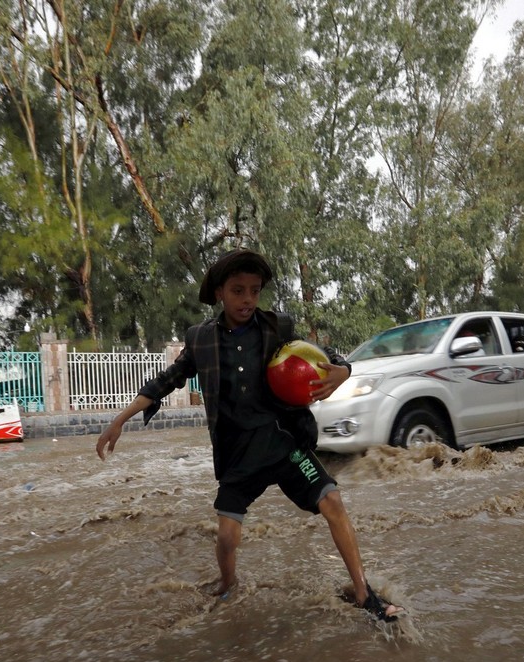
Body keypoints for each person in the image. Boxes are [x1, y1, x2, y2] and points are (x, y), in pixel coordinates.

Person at [95, 248, 401, 622]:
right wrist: (119, 420)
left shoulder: (277, 327)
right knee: (226, 537)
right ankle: (227, 585)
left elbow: (325, 356)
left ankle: (361, 591)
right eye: (238, 291)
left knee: (333, 502)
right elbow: (165, 381)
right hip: (238, 455)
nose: (248, 300)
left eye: (255, 291)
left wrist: (343, 370)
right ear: (220, 292)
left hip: (285, 444)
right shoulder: (201, 340)